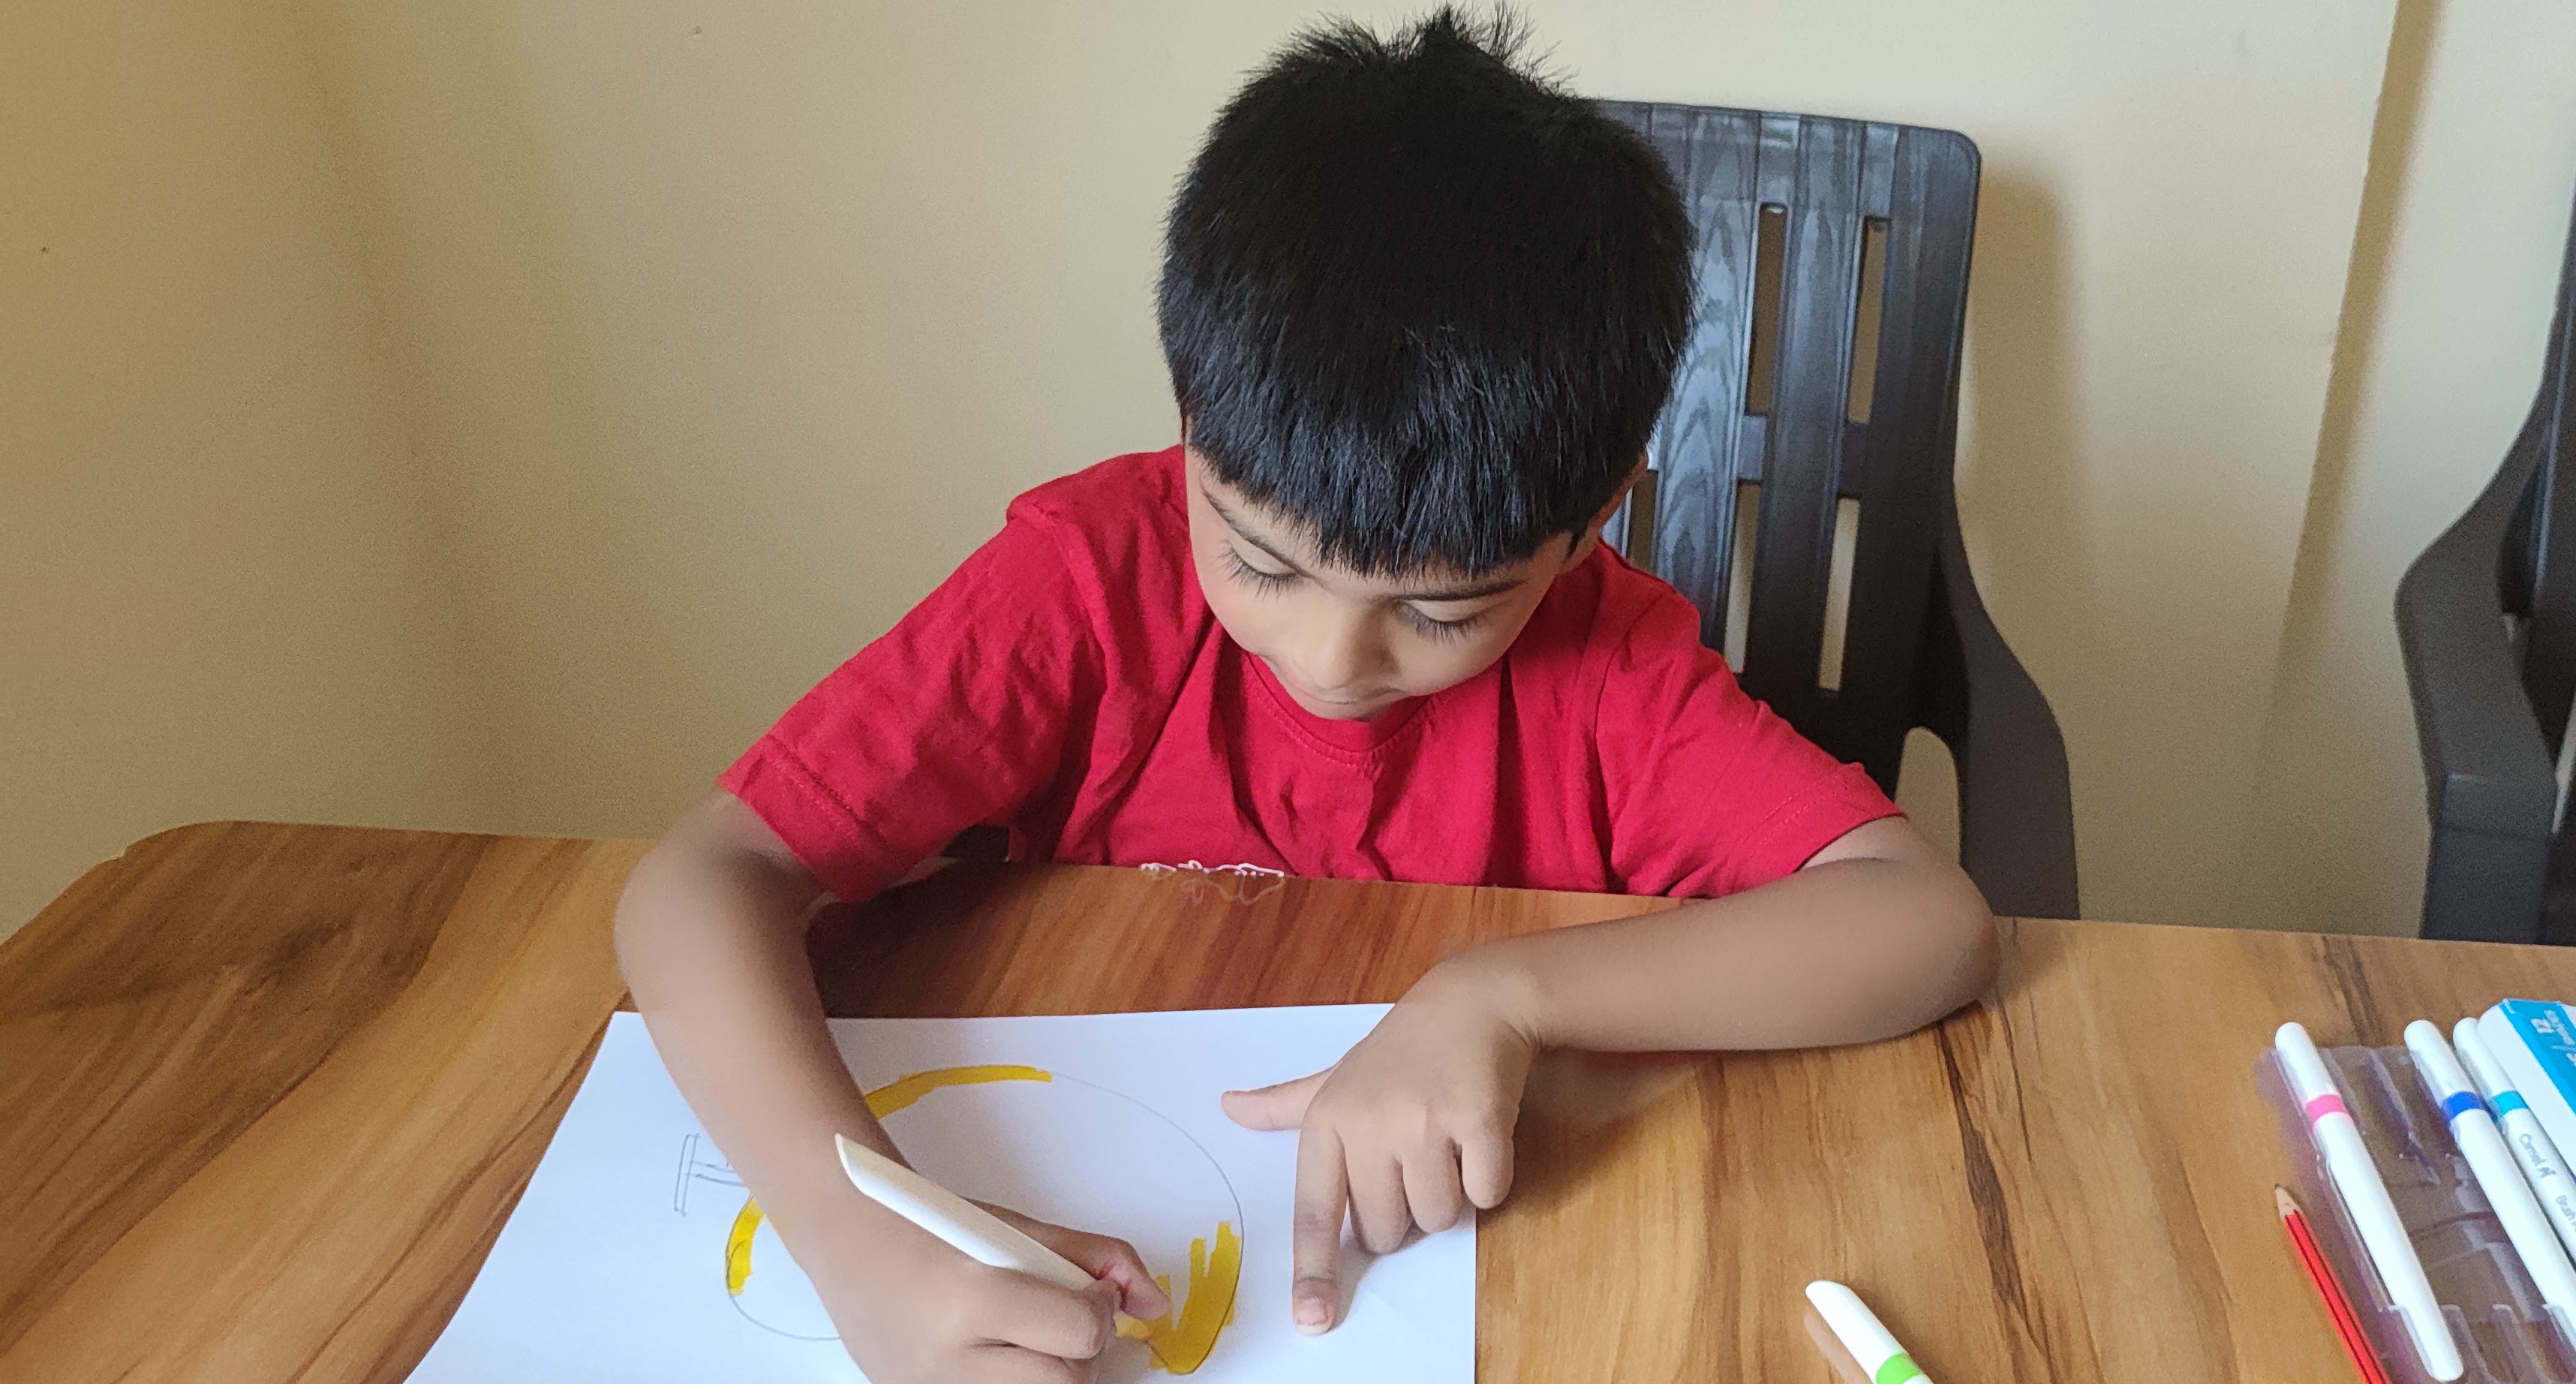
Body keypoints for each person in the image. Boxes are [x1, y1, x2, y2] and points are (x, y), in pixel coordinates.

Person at [612, 10, 1998, 1382]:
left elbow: (1924, 922)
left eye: (1442, 611)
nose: (1333, 661)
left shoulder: (1608, 670)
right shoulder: (1086, 581)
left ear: (1592, 521)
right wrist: (850, 1236)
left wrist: (1505, 996)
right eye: (1262, 563)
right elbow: (703, 880)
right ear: (1189, 423)